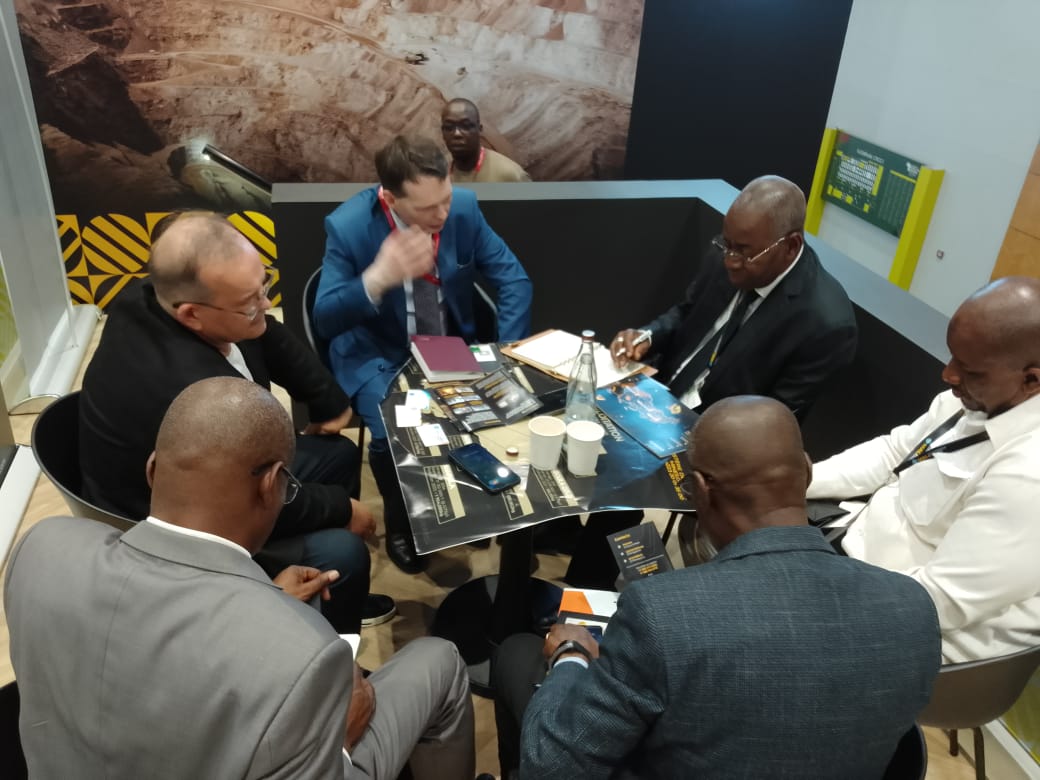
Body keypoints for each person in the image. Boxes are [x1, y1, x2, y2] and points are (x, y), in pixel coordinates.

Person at [7, 377, 477, 780]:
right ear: (271, 485)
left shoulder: (41, 548)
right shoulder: (303, 656)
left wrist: (263, 600)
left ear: (152, 470)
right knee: (439, 659)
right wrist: (339, 743)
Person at [493, 396, 941, 779]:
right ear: (806, 472)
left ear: (699, 490)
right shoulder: (914, 607)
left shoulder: (661, 614)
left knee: (516, 652)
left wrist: (571, 657)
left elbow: (552, 766)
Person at [79, 211, 394, 630]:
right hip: (174, 531)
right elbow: (246, 491)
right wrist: (341, 510)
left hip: (214, 476)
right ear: (192, 314)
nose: (265, 304)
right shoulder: (203, 396)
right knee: (342, 551)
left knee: (337, 455)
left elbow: (267, 334)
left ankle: (339, 597)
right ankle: (319, 645)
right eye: (249, 302)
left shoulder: (153, 296)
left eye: (263, 286)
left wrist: (326, 402)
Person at [561, 175, 859, 588]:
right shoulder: (728, 253)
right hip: (659, 394)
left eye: (744, 252)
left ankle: (587, 589)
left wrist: (686, 433)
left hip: (715, 435)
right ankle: (560, 534)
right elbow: (685, 313)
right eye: (727, 245)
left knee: (622, 478)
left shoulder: (825, 322)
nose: (730, 260)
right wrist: (648, 336)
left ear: (790, 245)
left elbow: (776, 419)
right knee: (571, 414)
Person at [314, 134, 533, 573]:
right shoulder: (349, 225)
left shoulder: (463, 209)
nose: (442, 215)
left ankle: (471, 501)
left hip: (449, 345)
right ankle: (404, 523)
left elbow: (515, 281)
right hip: (379, 351)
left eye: (445, 199)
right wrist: (377, 278)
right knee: (388, 435)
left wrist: (505, 355)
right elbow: (324, 318)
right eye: (428, 208)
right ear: (390, 197)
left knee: (494, 411)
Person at [808, 276, 1040, 663]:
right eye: (952, 357)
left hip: (904, 628)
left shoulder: (1028, 475)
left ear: (1031, 380)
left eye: (969, 369)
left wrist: (815, 599)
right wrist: (799, 482)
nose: (948, 376)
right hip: (856, 554)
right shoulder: (977, 398)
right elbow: (894, 452)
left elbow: (939, 600)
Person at [441, 98, 531, 183]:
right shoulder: (439, 175)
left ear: (479, 130)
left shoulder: (510, 174)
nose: (457, 133)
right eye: (449, 127)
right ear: (442, 133)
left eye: (465, 126)